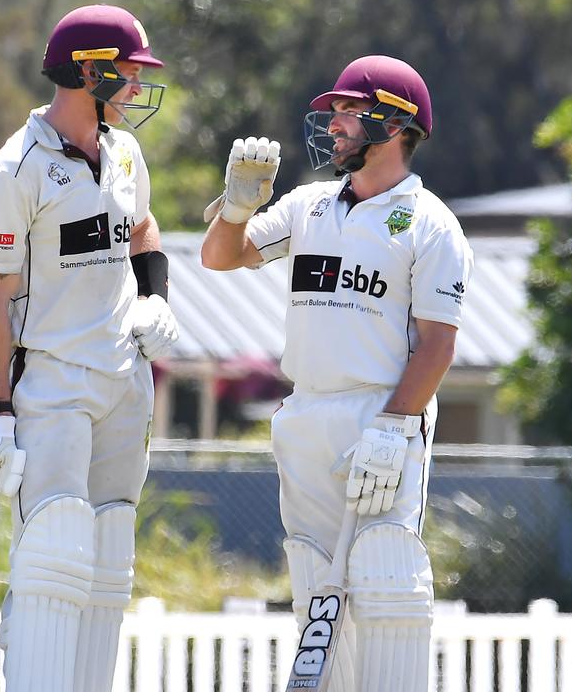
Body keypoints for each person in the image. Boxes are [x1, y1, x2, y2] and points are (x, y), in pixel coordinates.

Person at [200, 55, 473, 692]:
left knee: (384, 584)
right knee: (314, 583)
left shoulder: (430, 224)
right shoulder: (308, 205)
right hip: (307, 415)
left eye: (351, 111)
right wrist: (237, 206)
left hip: (381, 419)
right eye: (337, 112)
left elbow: (437, 346)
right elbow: (221, 256)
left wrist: (393, 426)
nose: (337, 123)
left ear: (396, 124)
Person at [0, 3, 178, 692]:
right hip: (51, 384)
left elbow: (143, 232)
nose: (138, 87)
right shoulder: (11, 172)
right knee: (53, 556)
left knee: (109, 560)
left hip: (123, 382)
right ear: (90, 71)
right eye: (130, 72)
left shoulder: (125, 154)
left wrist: (155, 296)